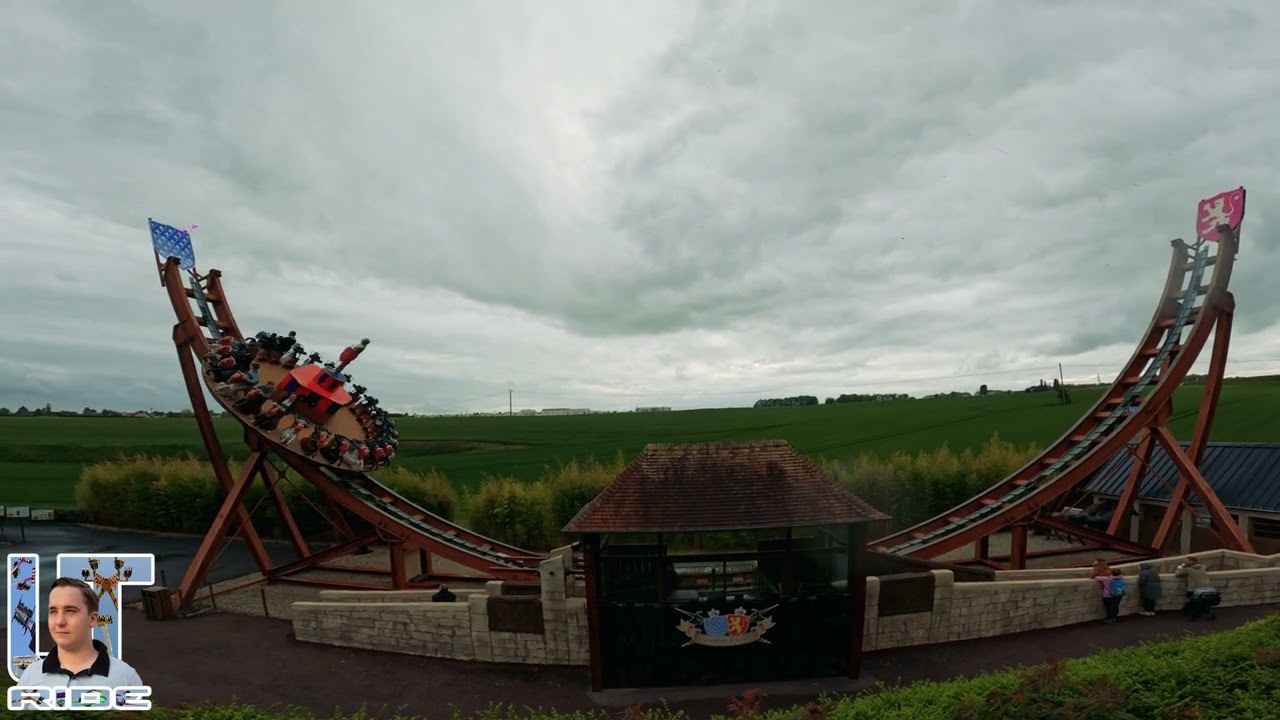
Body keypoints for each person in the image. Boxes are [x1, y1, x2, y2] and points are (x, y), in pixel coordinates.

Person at [17, 577, 144, 688]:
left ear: (92, 619)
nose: (59, 622)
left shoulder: (126, 678)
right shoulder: (30, 676)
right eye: (53, 611)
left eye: (70, 611)